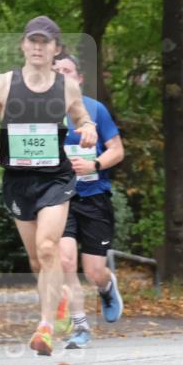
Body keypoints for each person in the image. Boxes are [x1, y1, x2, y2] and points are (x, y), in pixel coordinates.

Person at [0, 16, 97, 356]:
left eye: (45, 42)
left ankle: (45, 326)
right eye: (33, 41)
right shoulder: (1, 84)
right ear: (23, 45)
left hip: (55, 178)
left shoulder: (67, 86)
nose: (38, 47)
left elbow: (83, 119)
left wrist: (88, 130)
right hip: (18, 179)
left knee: (48, 248)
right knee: (35, 259)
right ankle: (55, 302)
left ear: (57, 49)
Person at [51, 53, 125, 349]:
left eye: (66, 71)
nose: (60, 76)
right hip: (58, 199)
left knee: (94, 270)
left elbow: (117, 151)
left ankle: (107, 286)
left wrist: (94, 165)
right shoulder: (41, 113)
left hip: (94, 197)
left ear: (79, 79)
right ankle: (80, 328)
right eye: (55, 71)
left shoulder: (95, 110)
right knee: (66, 261)